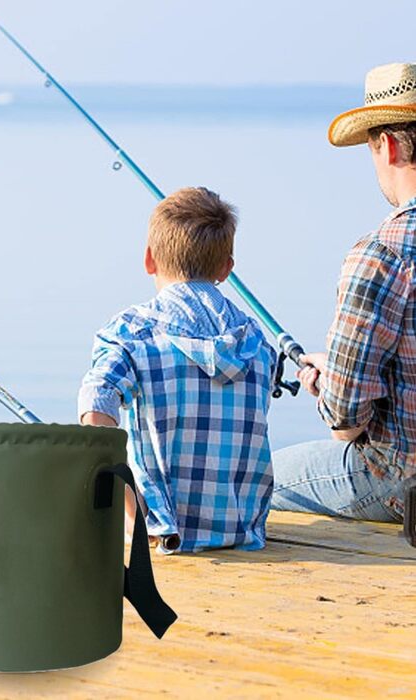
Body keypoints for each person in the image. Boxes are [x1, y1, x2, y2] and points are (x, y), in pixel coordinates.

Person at [78, 187, 276, 553]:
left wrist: (136, 516)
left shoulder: (131, 333)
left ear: (149, 260)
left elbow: (96, 413)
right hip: (242, 536)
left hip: (160, 533)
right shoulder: (258, 343)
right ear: (226, 268)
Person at [272, 63, 416, 522]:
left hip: (400, 483)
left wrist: (330, 388)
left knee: (257, 480)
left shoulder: (380, 255)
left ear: (388, 145)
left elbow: (346, 423)